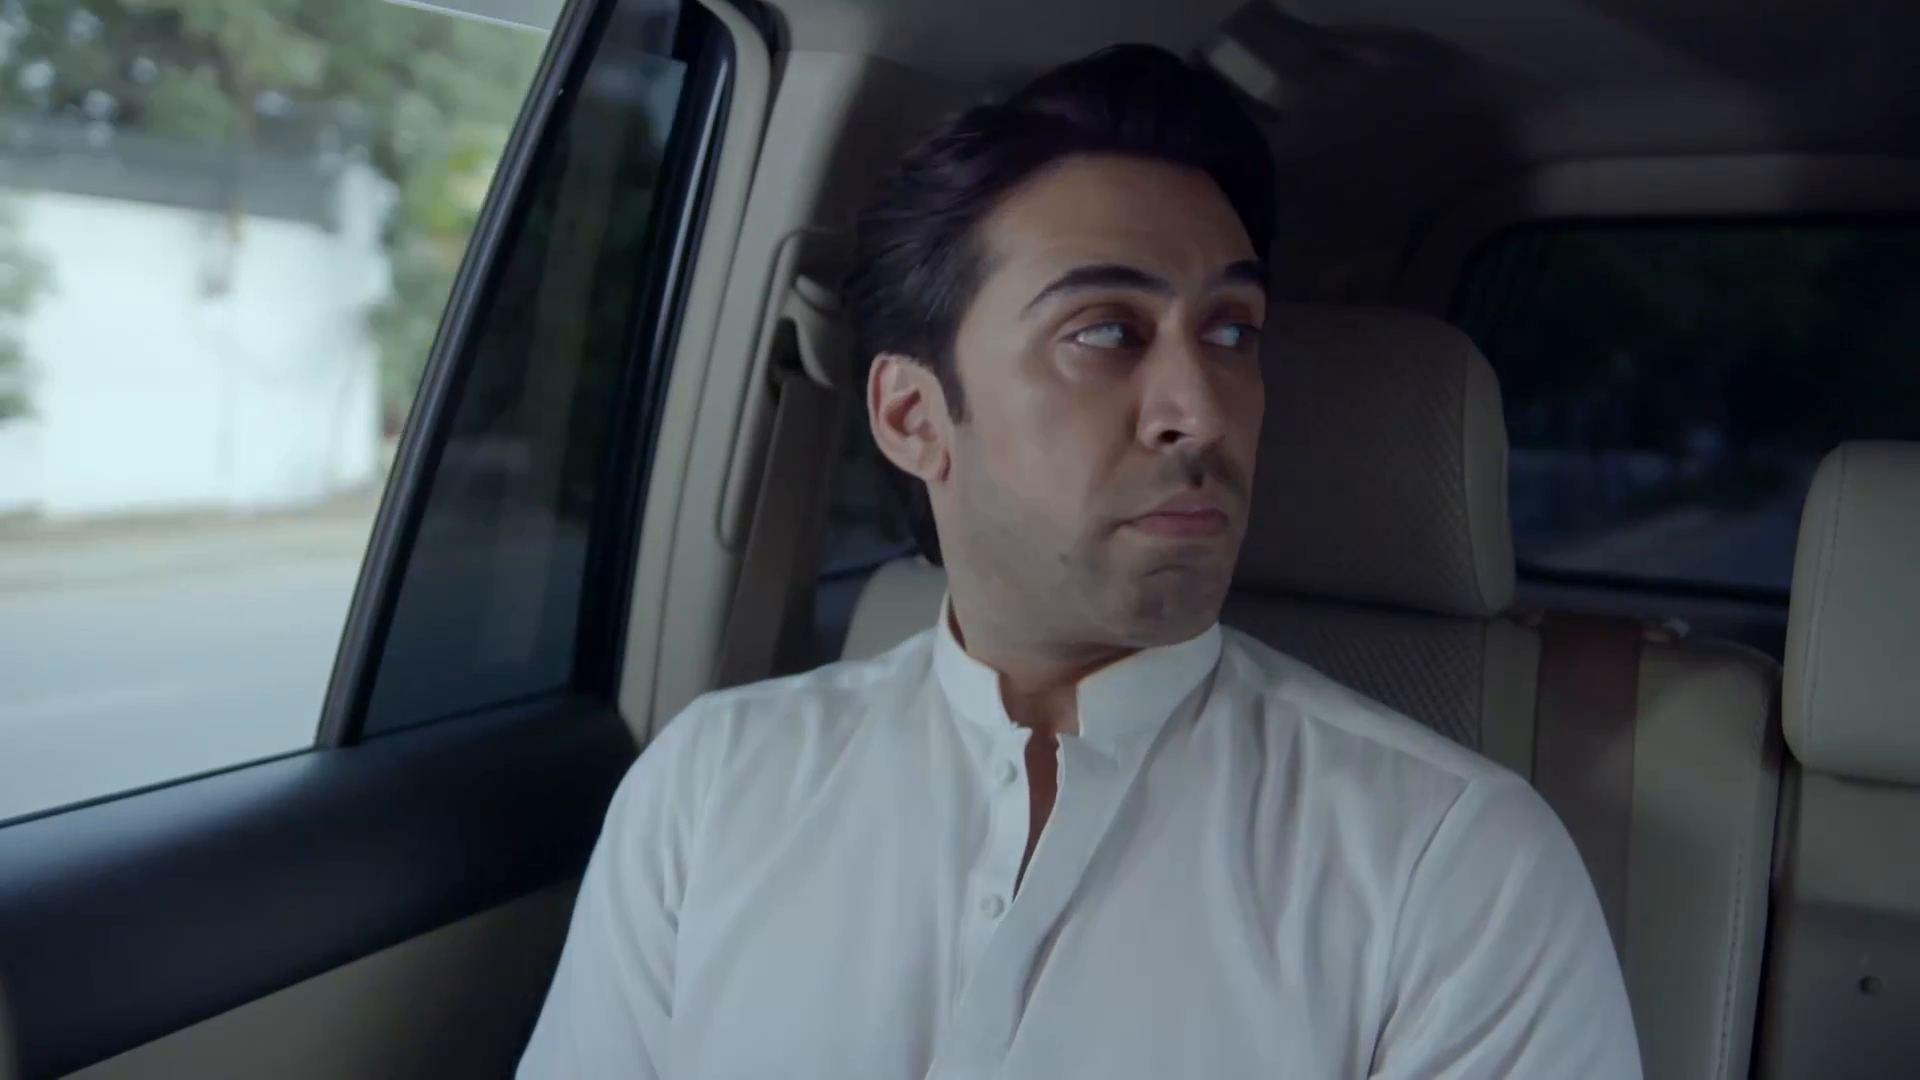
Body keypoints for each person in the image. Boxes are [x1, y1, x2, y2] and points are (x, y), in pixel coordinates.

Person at [518, 43, 1640, 1079]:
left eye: (1233, 333)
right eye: (1106, 332)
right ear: (913, 416)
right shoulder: (710, 786)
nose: (1202, 410)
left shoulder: (1452, 865)